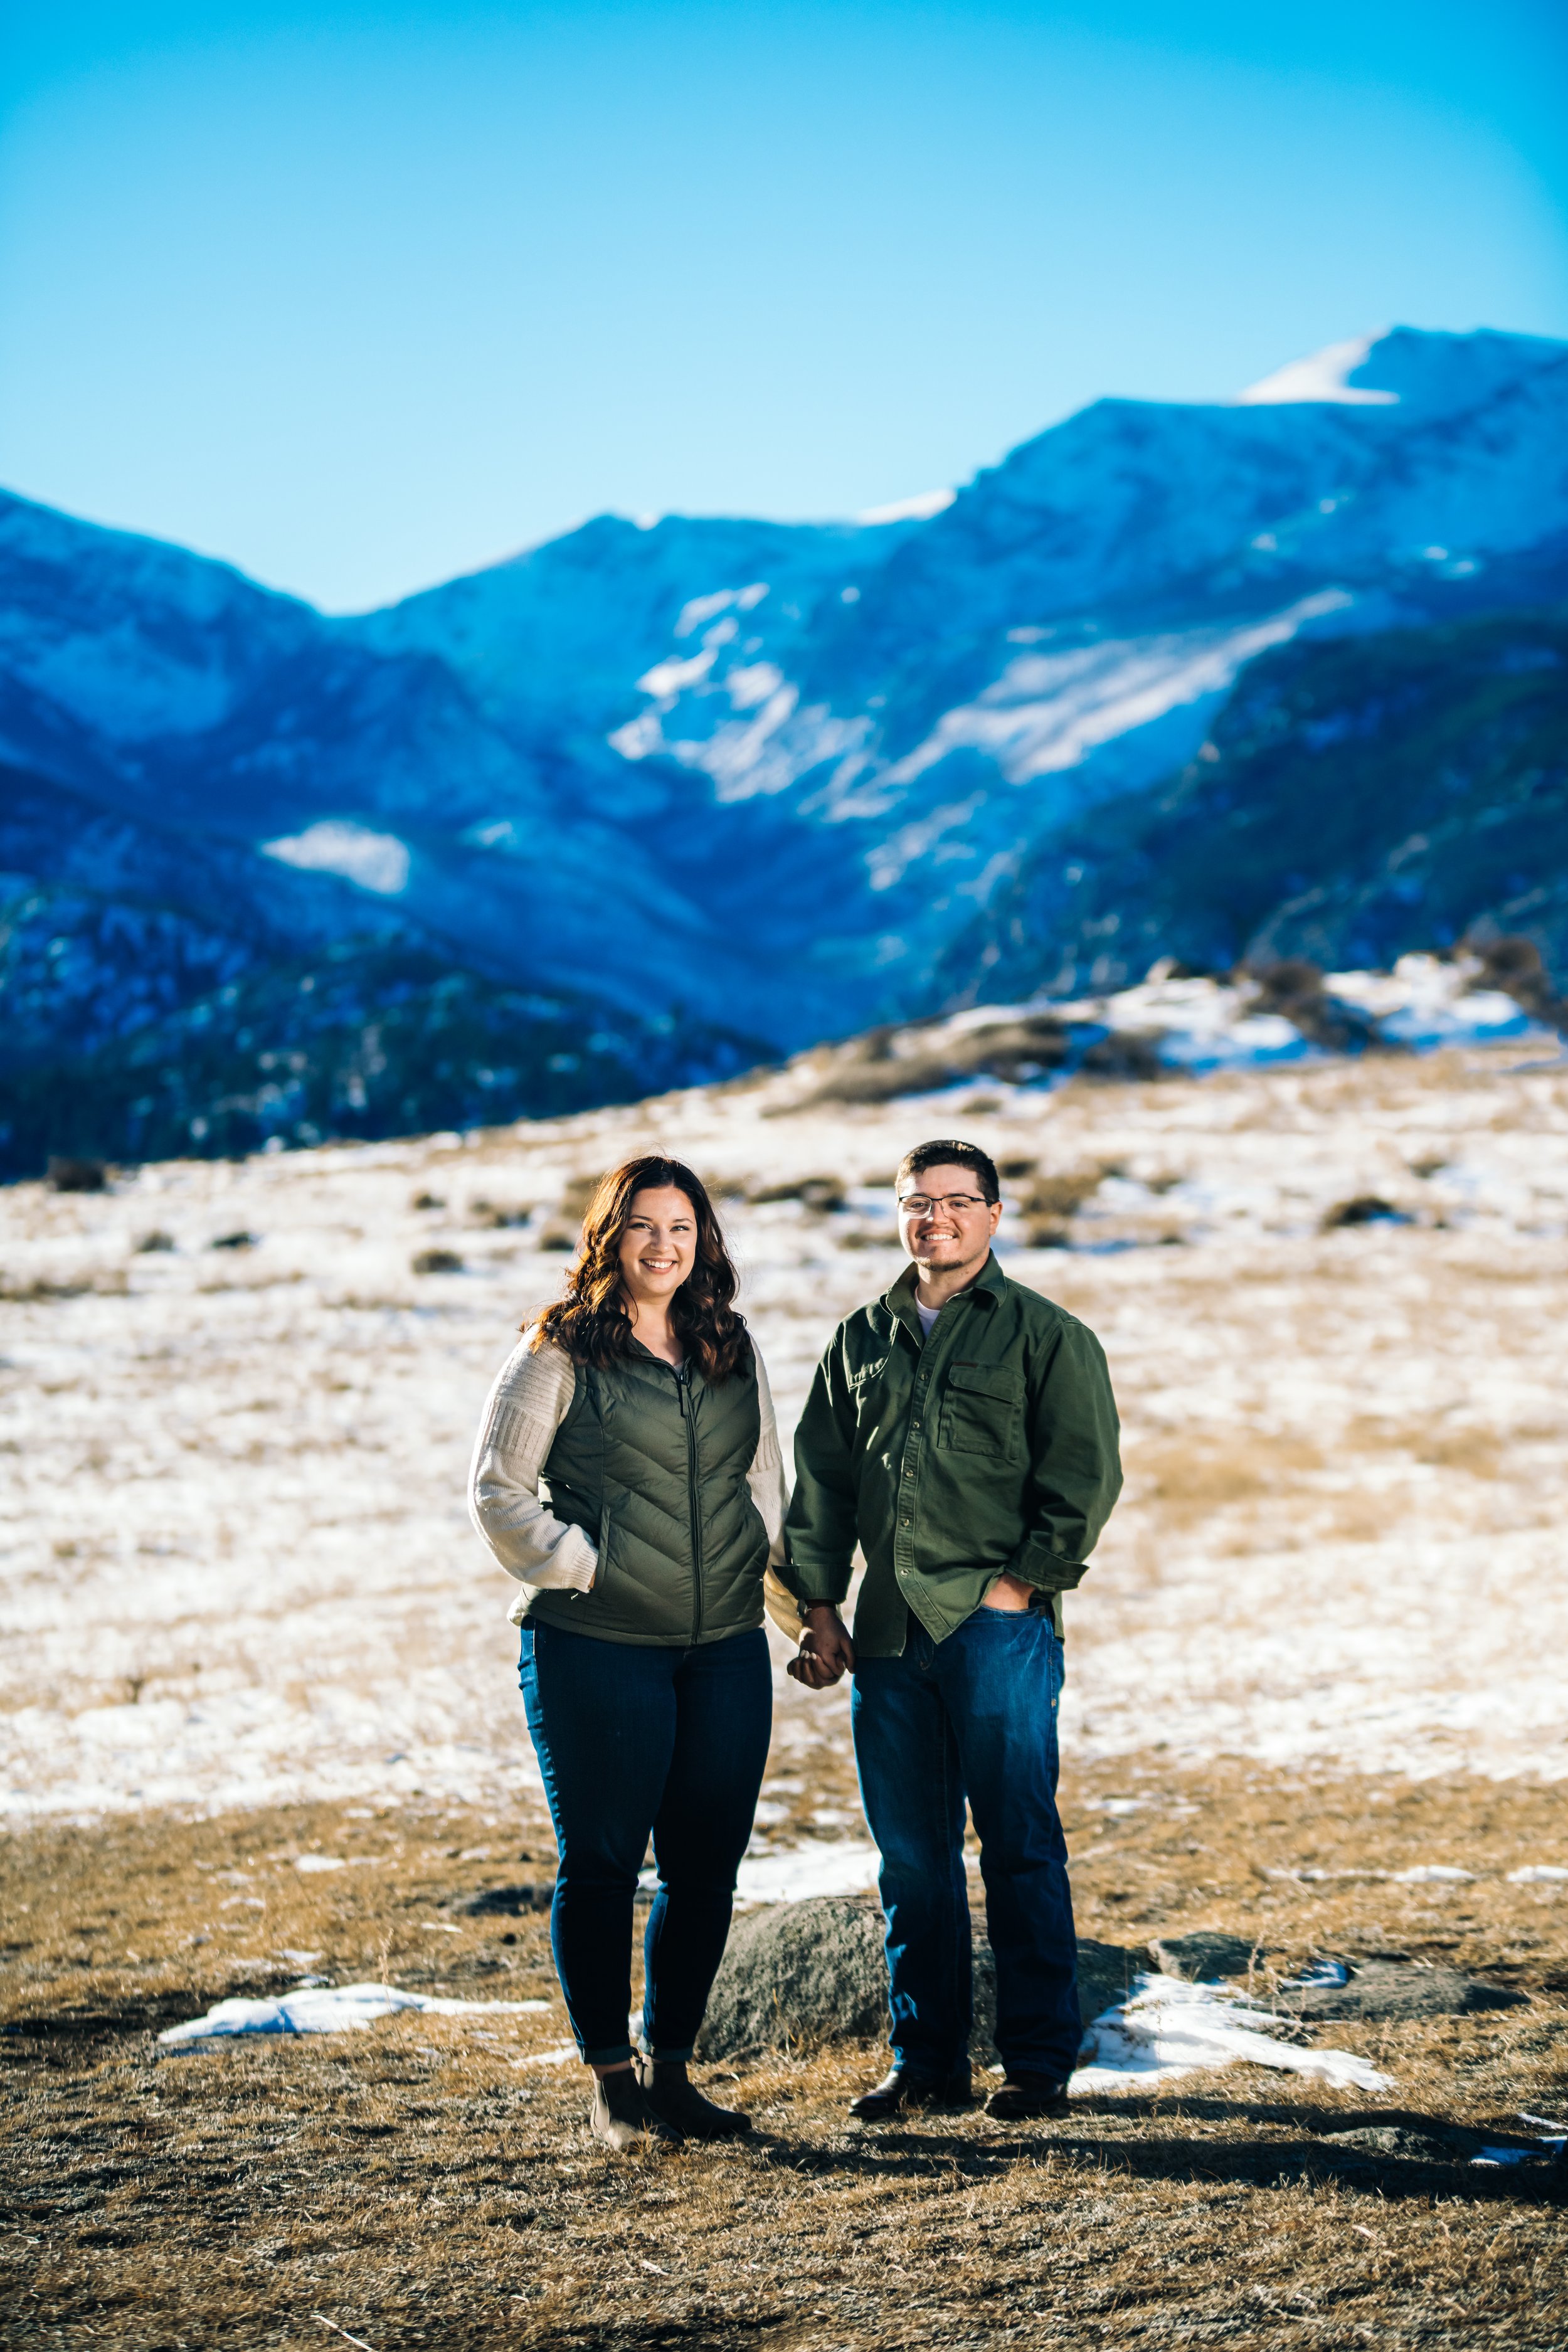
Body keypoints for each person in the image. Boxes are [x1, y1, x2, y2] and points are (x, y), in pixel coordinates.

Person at [780, 1138, 1122, 2122]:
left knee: (1017, 1845)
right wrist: (818, 1607)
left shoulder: (1048, 1337)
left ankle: (1037, 2064)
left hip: (996, 1633)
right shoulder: (857, 1340)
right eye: (916, 1202)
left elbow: (1085, 1481)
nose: (936, 1218)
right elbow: (825, 1488)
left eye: (957, 1201)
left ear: (994, 1214)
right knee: (913, 1859)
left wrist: (1020, 1587)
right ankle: (927, 2061)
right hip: (886, 1642)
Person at [468, 1154, 794, 2151]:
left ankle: (675, 2073)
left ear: (705, 1241)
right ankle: (611, 2080)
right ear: (610, 1234)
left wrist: (798, 1613)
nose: (664, 1243)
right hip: (598, 1644)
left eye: (682, 1227)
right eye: (644, 1225)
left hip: (724, 1650)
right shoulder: (557, 1350)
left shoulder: (729, 1345)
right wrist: (589, 1569)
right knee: (605, 1863)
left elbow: (764, 1487)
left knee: (706, 1869)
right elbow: (497, 1490)